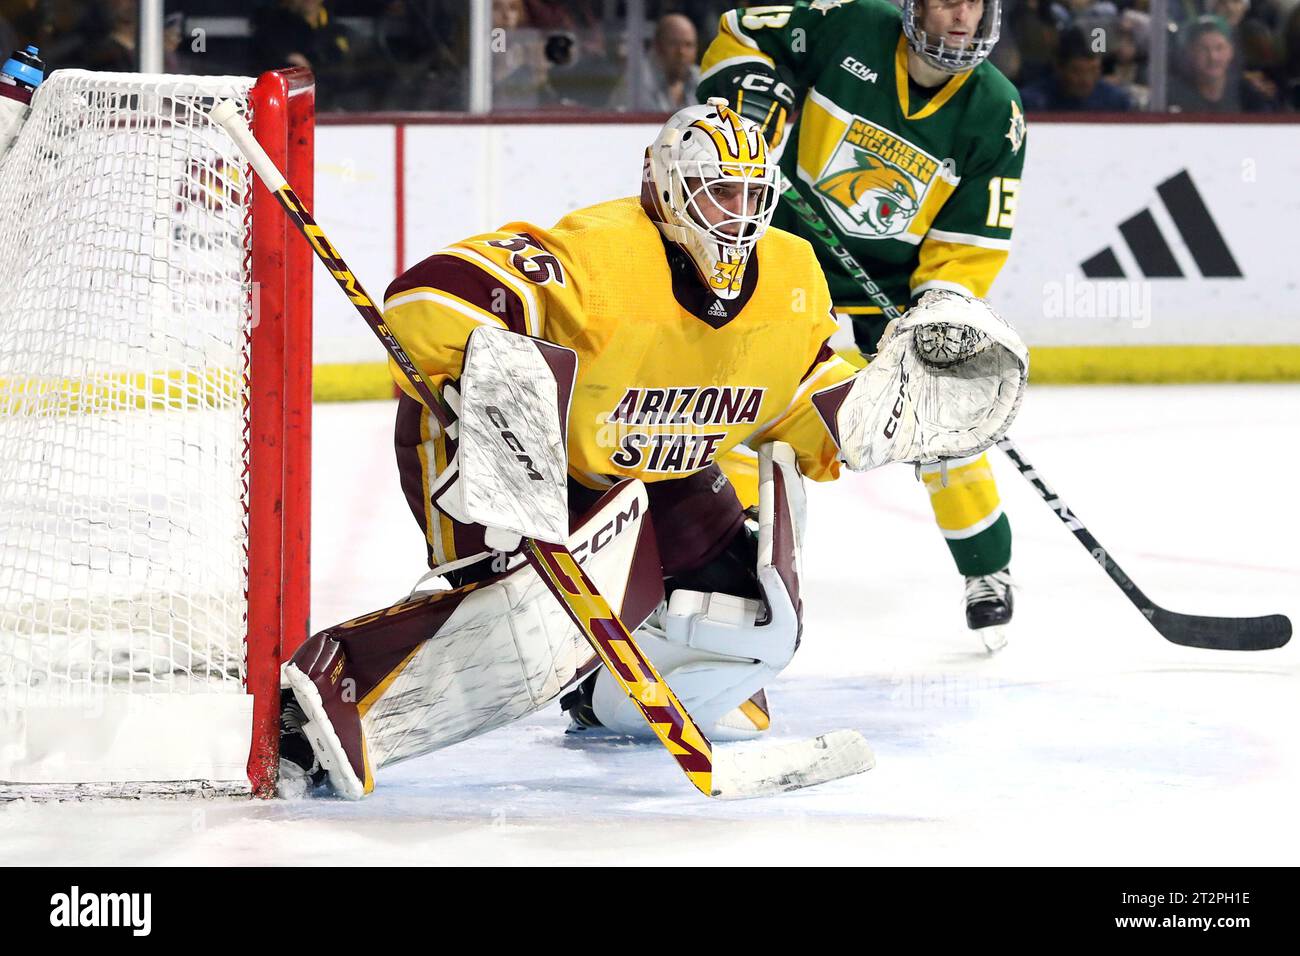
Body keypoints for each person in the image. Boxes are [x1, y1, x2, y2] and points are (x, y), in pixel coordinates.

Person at [275, 100, 1026, 797]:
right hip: (510, 458)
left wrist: (895, 414)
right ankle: (321, 705)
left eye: (749, 195)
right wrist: (496, 385)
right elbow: (423, 299)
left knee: (753, 615)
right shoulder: (599, 259)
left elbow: (813, 412)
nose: (735, 216)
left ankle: (605, 699)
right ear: (664, 189)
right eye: (714, 192)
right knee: (523, 615)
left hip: (655, 466)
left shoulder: (791, 279)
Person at [697, 0, 1027, 650]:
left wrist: (939, 310)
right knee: (740, 395)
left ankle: (988, 569)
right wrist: (748, 90)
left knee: (942, 415)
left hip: (895, 285)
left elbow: (968, 240)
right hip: (785, 252)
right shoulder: (848, 23)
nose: (961, 14)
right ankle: (731, 550)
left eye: (974, 2)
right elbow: (742, 32)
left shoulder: (997, 113)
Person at [1168, 14, 1278, 112]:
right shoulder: (1171, 96)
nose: (1213, 57)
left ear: (1231, 51)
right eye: (1203, 49)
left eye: (1220, 48)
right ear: (1189, 53)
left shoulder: (1248, 93)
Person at [1021, 25, 1133, 110]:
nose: (1086, 80)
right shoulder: (1033, 103)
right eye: (1078, 71)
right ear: (1059, 68)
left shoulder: (1115, 102)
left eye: (1093, 70)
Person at [613, 13, 702, 111]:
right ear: (658, 46)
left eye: (688, 45)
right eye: (674, 43)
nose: (681, 52)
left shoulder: (702, 80)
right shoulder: (636, 82)